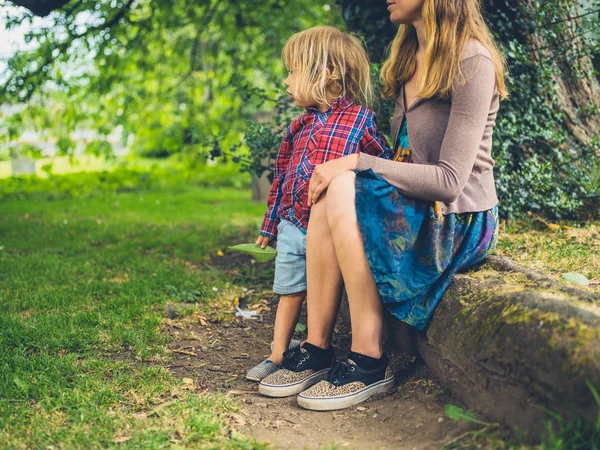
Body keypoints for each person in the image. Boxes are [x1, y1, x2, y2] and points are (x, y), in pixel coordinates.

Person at [260, 0, 508, 411]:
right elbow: (403, 162)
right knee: (331, 186)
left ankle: (370, 358)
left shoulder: (471, 59)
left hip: (458, 219)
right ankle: (317, 348)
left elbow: (449, 181)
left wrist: (357, 162)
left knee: (341, 181)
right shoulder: (409, 59)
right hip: (414, 208)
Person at [246, 26, 392, 384]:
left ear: (325, 74)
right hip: (295, 225)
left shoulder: (361, 120)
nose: (286, 80)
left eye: (293, 71)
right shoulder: (298, 127)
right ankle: (288, 352)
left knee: (317, 286)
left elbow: (381, 165)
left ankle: (328, 348)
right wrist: (269, 226)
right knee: (290, 289)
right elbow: (281, 180)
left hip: (332, 227)